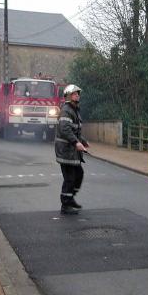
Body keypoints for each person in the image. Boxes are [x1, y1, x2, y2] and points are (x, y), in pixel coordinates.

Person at [55, 84, 89, 214]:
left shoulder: (74, 110)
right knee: (69, 178)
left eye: (78, 94)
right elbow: (65, 129)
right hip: (65, 151)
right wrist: (76, 143)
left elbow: (75, 130)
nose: (78, 96)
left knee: (78, 174)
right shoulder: (66, 110)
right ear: (69, 96)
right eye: (75, 94)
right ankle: (65, 204)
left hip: (72, 151)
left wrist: (83, 141)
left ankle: (70, 198)